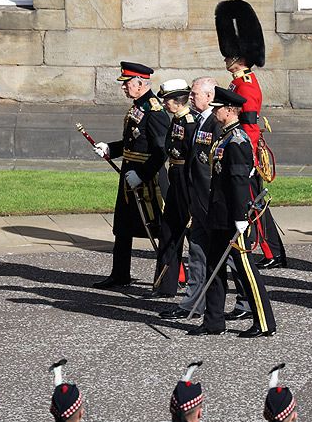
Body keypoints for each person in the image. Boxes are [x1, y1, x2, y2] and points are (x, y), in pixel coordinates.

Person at [187, 87, 276, 338]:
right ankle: (213, 320)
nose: (214, 111)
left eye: (217, 108)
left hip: (233, 216)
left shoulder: (236, 141)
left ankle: (264, 322)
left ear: (228, 111)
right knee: (214, 266)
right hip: (218, 212)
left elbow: (239, 182)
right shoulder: (225, 137)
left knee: (246, 270)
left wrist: (240, 217)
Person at [215, 0, 287, 271]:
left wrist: (245, 154)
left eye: (228, 54)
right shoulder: (238, 81)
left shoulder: (244, 85)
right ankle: (272, 250)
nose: (225, 58)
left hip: (246, 148)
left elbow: (249, 125)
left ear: (238, 57)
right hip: (244, 145)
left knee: (252, 202)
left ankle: (271, 251)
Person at [92, 62, 170, 289]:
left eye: (127, 83)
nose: (124, 88)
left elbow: (161, 151)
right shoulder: (138, 106)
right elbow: (132, 142)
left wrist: (142, 175)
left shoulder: (154, 110)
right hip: (130, 174)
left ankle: (170, 277)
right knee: (123, 227)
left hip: (149, 179)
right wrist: (110, 149)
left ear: (140, 83)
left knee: (160, 228)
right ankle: (120, 274)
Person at [160, 77, 221, 319]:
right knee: (197, 251)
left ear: (210, 97)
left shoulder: (214, 124)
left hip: (212, 202)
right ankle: (192, 303)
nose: (190, 97)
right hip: (196, 197)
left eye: (194, 94)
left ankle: (247, 301)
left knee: (232, 258)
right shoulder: (199, 122)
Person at [150, 79, 197, 299]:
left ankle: (195, 286)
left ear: (177, 102)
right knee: (167, 232)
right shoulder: (176, 120)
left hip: (186, 184)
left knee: (193, 237)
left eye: (166, 100)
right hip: (175, 181)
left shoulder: (190, 123)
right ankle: (165, 286)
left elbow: (194, 161)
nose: (164, 104)